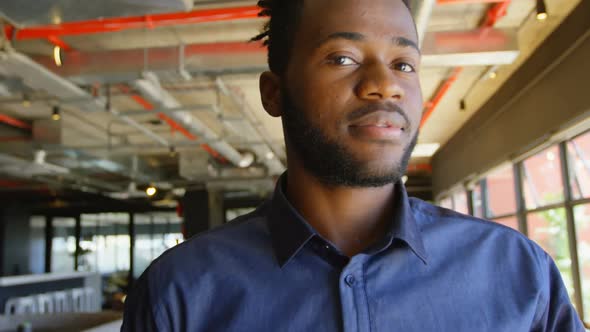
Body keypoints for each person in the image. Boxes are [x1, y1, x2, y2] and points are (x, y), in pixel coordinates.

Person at [121, 0, 585, 330]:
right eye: (342, 57)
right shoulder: (179, 295)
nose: (385, 85)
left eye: (404, 63)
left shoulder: (520, 273)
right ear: (274, 93)